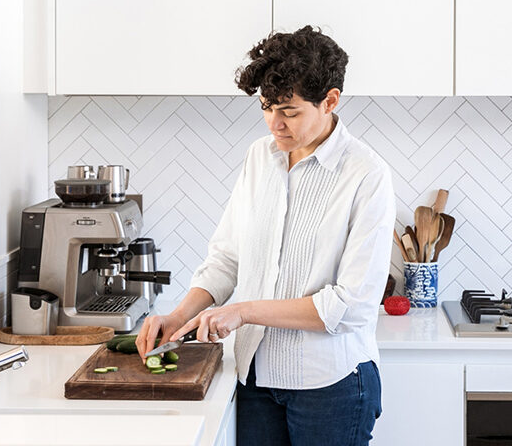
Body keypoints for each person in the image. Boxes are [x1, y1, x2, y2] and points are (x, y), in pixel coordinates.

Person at [138, 26, 395, 446]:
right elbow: (226, 259)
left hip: (330, 386)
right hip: (254, 379)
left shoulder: (366, 174)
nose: (275, 123)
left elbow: (351, 306)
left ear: (330, 101)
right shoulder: (260, 157)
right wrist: (178, 316)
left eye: (290, 111)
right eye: (266, 107)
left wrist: (244, 312)